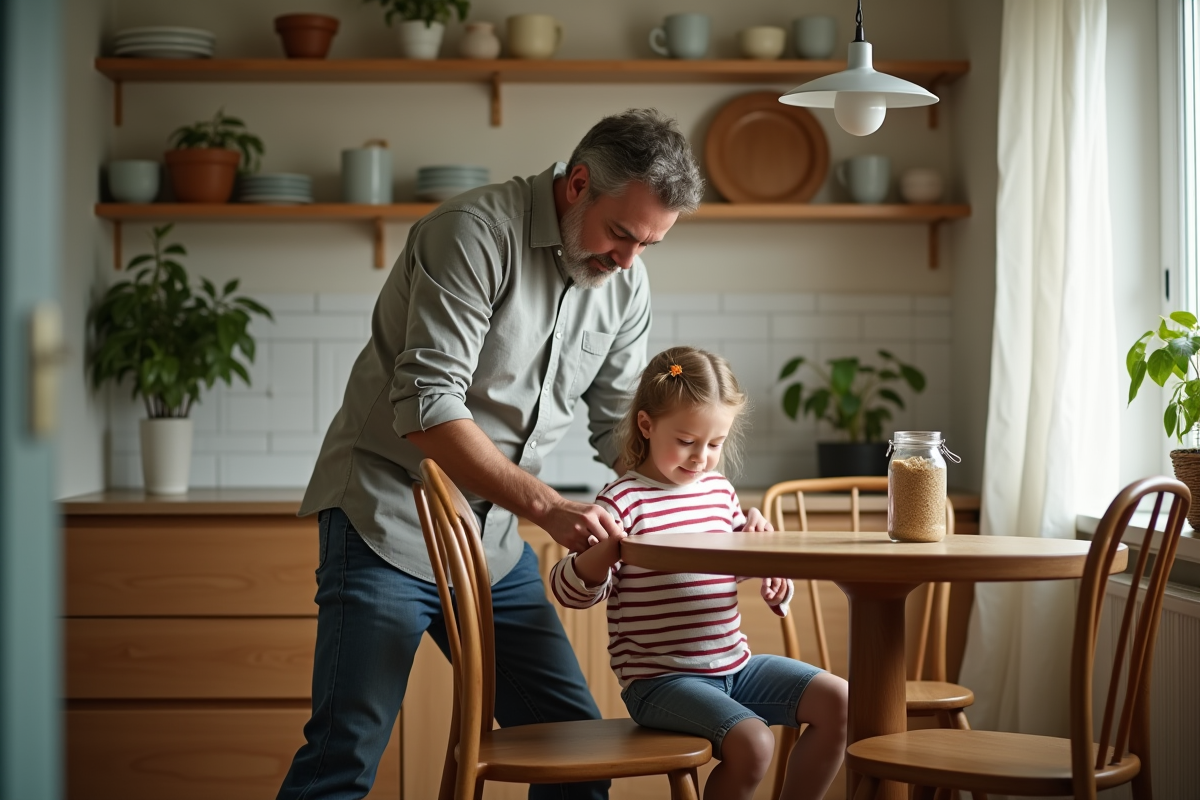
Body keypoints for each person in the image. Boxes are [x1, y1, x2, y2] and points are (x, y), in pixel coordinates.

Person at [277, 109, 704, 800]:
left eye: (648, 245)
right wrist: (549, 507)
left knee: (577, 751)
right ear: (577, 185)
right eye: (621, 233)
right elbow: (425, 406)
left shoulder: (625, 283)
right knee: (343, 756)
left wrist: (694, 498)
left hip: (493, 543)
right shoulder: (472, 234)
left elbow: (621, 432)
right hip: (384, 519)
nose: (628, 260)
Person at [549, 347, 849, 800]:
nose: (701, 458)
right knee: (754, 743)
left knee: (842, 703)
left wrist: (763, 557)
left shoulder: (719, 492)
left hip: (736, 665)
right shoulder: (622, 501)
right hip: (660, 681)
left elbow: (722, 570)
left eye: (715, 444)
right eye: (687, 441)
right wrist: (607, 552)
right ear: (646, 425)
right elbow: (568, 589)